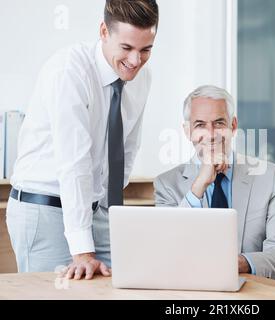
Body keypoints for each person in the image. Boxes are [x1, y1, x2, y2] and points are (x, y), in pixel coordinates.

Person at [6, 0, 159, 280]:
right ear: (103, 31)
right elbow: (73, 163)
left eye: (145, 49)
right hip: (45, 208)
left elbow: (128, 147)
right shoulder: (70, 71)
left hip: (96, 210)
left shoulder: (142, 77)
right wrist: (82, 253)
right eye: (126, 48)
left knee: (126, 285)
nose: (135, 60)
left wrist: (110, 214)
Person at [154, 85, 275, 280]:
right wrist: (197, 188)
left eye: (219, 123)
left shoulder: (269, 177)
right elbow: (166, 252)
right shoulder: (167, 184)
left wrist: (239, 263)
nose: (211, 134)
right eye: (200, 125)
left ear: (233, 126)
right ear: (187, 131)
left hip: (255, 290)